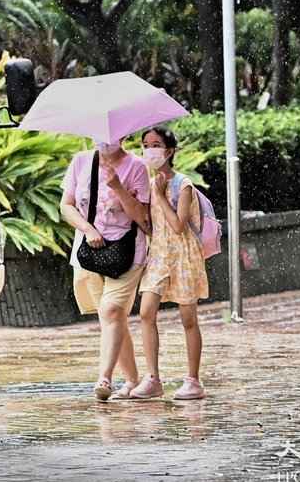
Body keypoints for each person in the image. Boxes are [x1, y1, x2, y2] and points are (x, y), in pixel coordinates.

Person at [61, 138, 151, 402]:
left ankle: (105, 378)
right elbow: (66, 205)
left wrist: (117, 187)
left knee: (111, 311)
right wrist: (88, 230)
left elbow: (142, 217)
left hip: (127, 251)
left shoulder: (136, 167)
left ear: (122, 136)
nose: (103, 139)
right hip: (90, 252)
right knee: (113, 319)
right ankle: (133, 380)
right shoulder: (81, 161)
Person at [132, 126, 209, 400]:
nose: (150, 149)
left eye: (155, 144)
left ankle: (193, 380)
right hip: (158, 255)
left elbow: (178, 226)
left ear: (170, 150)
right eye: (145, 144)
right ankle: (152, 378)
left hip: (183, 255)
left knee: (188, 318)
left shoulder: (182, 184)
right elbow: (151, 224)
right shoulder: (148, 183)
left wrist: (162, 195)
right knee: (146, 312)